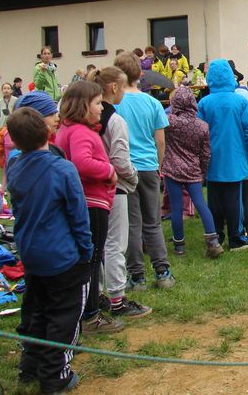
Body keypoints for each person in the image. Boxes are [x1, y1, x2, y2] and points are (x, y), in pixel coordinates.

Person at [6, 107, 93, 394]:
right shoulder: (62, 169)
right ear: (48, 132)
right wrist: (86, 251)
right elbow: (78, 215)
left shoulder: (15, 166)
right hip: (62, 257)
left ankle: (30, 366)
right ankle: (55, 375)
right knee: (65, 316)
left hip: (31, 254)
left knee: (37, 311)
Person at [56, 81, 122, 334]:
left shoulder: (68, 129)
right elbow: (82, 163)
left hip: (84, 200)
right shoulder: (82, 132)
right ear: (84, 106)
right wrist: (109, 170)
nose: (101, 108)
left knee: (90, 258)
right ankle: (91, 315)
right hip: (91, 201)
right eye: (97, 103)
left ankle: (88, 306)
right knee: (94, 258)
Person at [88, 67, 150, 319]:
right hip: (114, 187)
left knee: (98, 244)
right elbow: (120, 160)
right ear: (113, 88)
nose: (124, 92)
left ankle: (98, 294)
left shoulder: (87, 120)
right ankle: (117, 298)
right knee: (115, 243)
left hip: (90, 189)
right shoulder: (115, 121)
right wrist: (132, 178)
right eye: (123, 87)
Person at [113, 52, 175, 290]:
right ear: (140, 74)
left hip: (124, 169)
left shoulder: (115, 105)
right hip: (149, 166)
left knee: (132, 224)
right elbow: (160, 141)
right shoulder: (152, 103)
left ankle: (137, 276)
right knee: (153, 222)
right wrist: (159, 165)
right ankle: (163, 272)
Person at [198, 59, 248, 251]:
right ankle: (236, 237)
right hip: (235, 155)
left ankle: (217, 236)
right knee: (234, 200)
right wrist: (246, 149)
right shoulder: (240, 101)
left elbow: (199, 131)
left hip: (212, 158)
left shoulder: (204, 103)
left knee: (214, 200)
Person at [162, 87, 223, 257]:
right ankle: (213, 241)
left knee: (176, 207)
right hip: (194, 170)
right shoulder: (202, 126)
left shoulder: (170, 122)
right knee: (201, 204)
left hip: (172, 169)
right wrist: (202, 171)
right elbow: (205, 153)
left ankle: (179, 246)